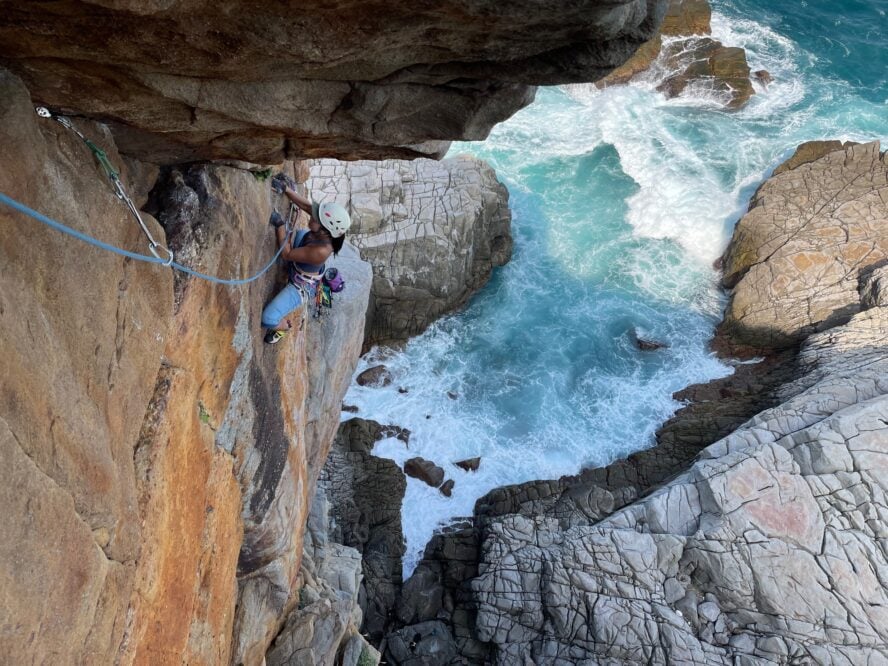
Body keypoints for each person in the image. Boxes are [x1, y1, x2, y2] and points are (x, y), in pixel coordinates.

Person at [261, 173, 351, 344]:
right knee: (302, 233)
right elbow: (306, 205)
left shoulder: (321, 251)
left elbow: (286, 254)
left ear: (325, 229)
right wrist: (285, 189)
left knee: (267, 318)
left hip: (301, 285)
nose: (311, 214)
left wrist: (280, 225)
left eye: (316, 217)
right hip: (300, 263)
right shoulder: (324, 228)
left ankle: (283, 328)